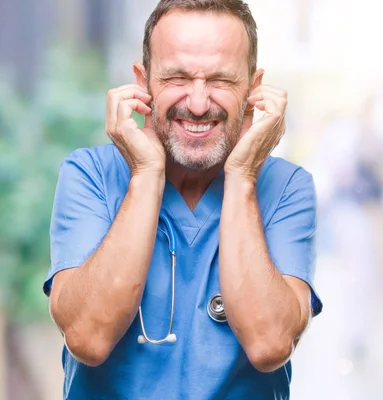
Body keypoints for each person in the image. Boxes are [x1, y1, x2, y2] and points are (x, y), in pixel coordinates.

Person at [43, 1, 322, 398]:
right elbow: (87, 338)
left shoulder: (287, 188)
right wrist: (146, 174)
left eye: (221, 80)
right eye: (177, 77)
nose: (197, 103)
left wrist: (242, 177)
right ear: (144, 82)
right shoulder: (90, 175)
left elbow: (268, 345)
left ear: (252, 89)